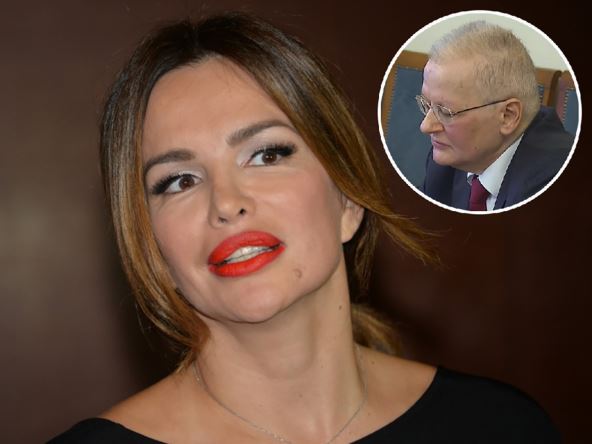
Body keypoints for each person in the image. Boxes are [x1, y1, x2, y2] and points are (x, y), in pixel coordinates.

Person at [50, 13, 560, 443]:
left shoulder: (500, 427)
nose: (226, 203)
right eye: (179, 180)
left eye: (267, 154)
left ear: (347, 197)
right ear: (151, 243)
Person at [420, 21, 574, 212]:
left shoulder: (556, 183)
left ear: (508, 116)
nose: (426, 126)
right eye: (427, 105)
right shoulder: (449, 160)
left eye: (445, 111)